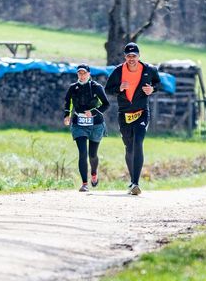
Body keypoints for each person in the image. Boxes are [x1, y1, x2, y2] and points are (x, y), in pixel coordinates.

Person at [105, 42, 160, 195]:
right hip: (124, 114)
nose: (131, 59)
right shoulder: (118, 71)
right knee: (129, 148)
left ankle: (136, 183)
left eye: (134, 56)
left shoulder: (149, 70)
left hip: (142, 112)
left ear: (139, 56)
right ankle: (132, 181)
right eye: (128, 56)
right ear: (125, 57)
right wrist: (119, 88)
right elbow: (107, 89)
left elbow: (158, 84)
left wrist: (152, 89)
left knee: (138, 143)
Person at [63, 64, 110, 192]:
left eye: (84, 73)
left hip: (96, 124)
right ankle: (84, 183)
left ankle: (94, 173)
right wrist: (67, 116)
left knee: (92, 154)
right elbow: (68, 102)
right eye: (80, 73)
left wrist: (94, 112)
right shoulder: (73, 88)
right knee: (82, 153)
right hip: (79, 124)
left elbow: (106, 104)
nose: (82, 76)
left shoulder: (96, 87)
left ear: (89, 74)